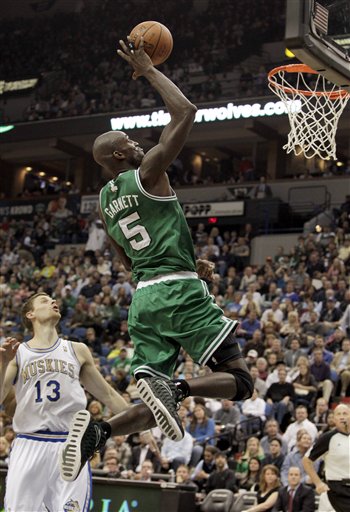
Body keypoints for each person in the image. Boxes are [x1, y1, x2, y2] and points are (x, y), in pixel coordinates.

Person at [60, 35, 253, 481]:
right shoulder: (147, 173)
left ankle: (98, 432)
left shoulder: (105, 203)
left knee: (154, 406)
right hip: (178, 293)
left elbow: (130, 262)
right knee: (241, 382)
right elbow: (186, 111)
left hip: (144, 300)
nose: (137, 143)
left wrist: (185, 261)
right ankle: (178, 386)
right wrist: (147, 69)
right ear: (118, 156)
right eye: (129, 140)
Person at [0, 293, 136, 512]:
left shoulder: (77, 350)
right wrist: (3, 364)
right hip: (30, 442)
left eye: (54, 299)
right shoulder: (18, 353)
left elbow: (108, 395)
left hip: (70, 445)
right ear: (30, 314)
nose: (53, 302)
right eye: (44, 301)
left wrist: (140, 424)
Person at [302, 404, 350, 512]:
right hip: (336, 490)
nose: (342, 417)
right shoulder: (327, 438)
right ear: (334, 419)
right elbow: (306, 460)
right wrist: (318, 483)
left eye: (345, 413)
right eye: (338, 414)